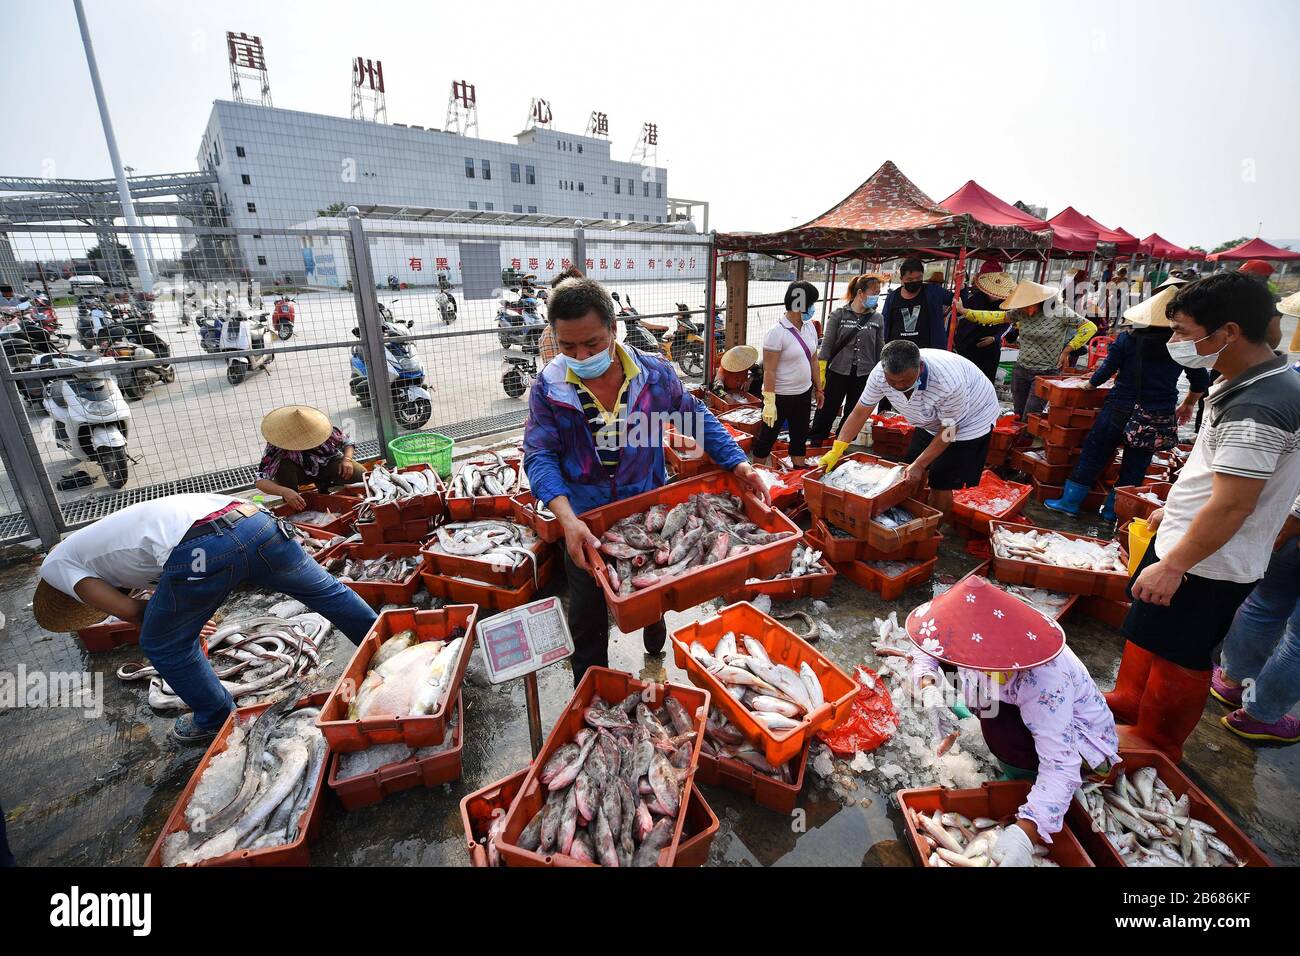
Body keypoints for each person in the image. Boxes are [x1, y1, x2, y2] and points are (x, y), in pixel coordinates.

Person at [521, 277, 768, 682]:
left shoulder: (654, 375)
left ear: (614, 329)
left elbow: (694, 415)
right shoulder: (548, 389)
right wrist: (566, 519)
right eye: (568, 347)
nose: (581, 355)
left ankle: (655, 641)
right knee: (586, 614)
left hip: (645, 506)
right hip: (587, 519)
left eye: (593, 344)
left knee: (653, 592)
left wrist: (738, 463)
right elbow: (540, 454)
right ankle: (592, 683)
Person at [1110, 273, 1300, 763]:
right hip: (1186, 540)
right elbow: (1214, 474)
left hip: (1207, 562)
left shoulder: (1259, 405)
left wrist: (1175, 564)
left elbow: (1235, 503)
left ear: (1228, 332)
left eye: (1183, 330)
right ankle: (1130, 704)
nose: (1175, 342)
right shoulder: (1243, 382)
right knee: (1147, 631)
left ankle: (1158, 740)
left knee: (1180, 653)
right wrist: (1170, 512)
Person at [33, 494, 378, 743]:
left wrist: (179, 628)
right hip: (254, 521)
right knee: (327, 593)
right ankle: (384, 646)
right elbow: (167, 582)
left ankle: (215, 717)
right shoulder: (98, 542)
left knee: (160, 643)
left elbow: (134, 612)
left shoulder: (56, 567)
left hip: (202, 548)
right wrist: (189, 619)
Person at [903, 577, 1119, 864]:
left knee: (1002, 728)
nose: (965, 664)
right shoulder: (972, 629)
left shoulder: (1041, 678)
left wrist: (1025, 833)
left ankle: (1022, 778)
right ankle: (977, 714)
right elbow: (928, 643)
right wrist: (929, 687)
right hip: (1006, 698)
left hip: (1078, 744)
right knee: (956, 669)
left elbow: (1061, 766)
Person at [1045, 287, 1208, 520]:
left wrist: (1089, 385)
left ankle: (1069, 503)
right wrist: (1189, 403)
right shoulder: (1181, 345)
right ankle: (1114, 511)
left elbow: (1107, 368)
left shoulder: (1128, 338)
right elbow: (1200, 380)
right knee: (1136, 463)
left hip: (1120, 405)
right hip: (1157, 411)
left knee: (1095, 452)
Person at [821, 341, 1001, 520]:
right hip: (930, 421)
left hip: (970, 420)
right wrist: (838, 448)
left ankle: (931, 532)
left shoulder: (948, 383)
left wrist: (921, 464)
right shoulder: (879, 374)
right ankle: (910, 516)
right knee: (909, 468)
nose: (899, 386)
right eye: (893, 382)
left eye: (905, 381)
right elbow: (860, 412)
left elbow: (949, 431)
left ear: (920, 367)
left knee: (941, 481)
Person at [1208, 492, 1300, 744]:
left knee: (1263, 605)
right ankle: (1259, 716)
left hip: (1286, 523)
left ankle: (1233, 681)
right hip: (1293, 519)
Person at [1002, 280, 1097, 419]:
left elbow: (1090, 328)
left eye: (1029, 305)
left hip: (1046, 371)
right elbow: (996, 316)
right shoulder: (1020, 313)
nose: (1026, 310)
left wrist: (1067, 350)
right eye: (1023, 306)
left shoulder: (1060, 312)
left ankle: (1026, 438)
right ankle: (1017, 439)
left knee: (1031, 415)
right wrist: (965, 311)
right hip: (1021, 369)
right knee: (1018, 413)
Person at [753, 280, 824, 467]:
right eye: (811, 303)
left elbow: (813, 359)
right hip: (779, 397)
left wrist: (819, 388)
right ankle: (756, 472)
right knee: (767, 438)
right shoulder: (776, 333)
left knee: (799, 437)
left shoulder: (810, 327)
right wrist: (769, 402)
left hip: (803, 394)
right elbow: (769, 371)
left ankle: (798, 472)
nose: (812, 307)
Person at [808, 274, 884, 445]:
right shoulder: (838, 315)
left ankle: (841, 445)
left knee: (854, 412)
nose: (877, 297)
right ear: (860, 293)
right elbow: (826, 348)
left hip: (864, 374)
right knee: (827, 409)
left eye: (879, 293)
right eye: (874, 292)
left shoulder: (877, 318)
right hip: (837, 371)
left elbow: (880, 348)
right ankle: (815, 442)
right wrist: (820, 376)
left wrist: (882, 375)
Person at [254, 405, 358, 506]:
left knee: (361, 477)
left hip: (327, 464)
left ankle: (324, 486)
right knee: (283, 467)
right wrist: (285, 492)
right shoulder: (277, 445)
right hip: (301, 474)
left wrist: (347, 459)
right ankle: (293, 501)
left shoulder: (323, 429)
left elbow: (347, 442)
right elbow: (261, 480)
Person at [881, 257, 963, 350]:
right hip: (898, 353)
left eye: (918, 278)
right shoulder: (892, 297)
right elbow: (884, 323)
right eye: (910, 280)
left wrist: (960, 284)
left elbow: (959, 302)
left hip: (928, 353)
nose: (915, 282)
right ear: (901, 279)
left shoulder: (934, 292)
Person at [953, 265, 1016, 383]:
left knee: (986, 379)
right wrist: (961, 287)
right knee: (966, 378)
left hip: (990, 349)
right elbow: (961, 309)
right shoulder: (976, 298)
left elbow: (1008, 324)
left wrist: (994, 338)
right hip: (969, 344)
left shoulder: (1007, 304)